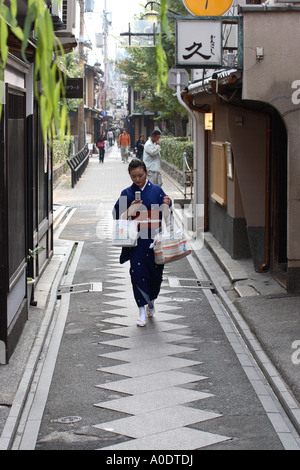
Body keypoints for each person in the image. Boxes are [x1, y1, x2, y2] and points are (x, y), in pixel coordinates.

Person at [113, 159, 171, 327]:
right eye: (133, 177)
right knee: (137, 275)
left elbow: (166, 214)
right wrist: (130, 210)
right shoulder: (126, 193)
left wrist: (167, 203)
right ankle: (141, 311)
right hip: (136, 242)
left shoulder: (157, 190)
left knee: (155, 276)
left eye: (140, 175)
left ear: (146, 172)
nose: (137, 179)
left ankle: (151, 300)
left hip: (155, 241)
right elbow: (118, 217)